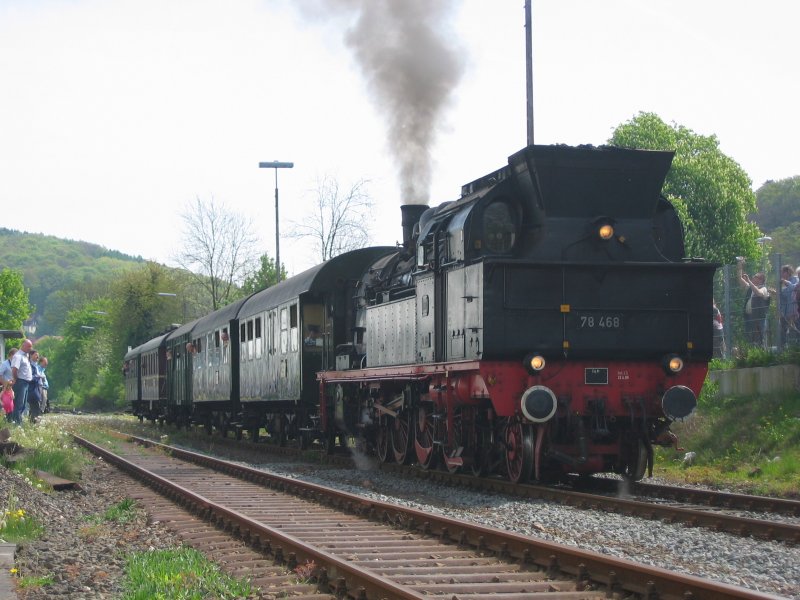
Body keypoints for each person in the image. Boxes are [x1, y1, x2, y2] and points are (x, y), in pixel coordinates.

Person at [737, 258, 770, 348]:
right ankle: (751, 354)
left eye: (755, 277)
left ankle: (760, 354)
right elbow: (740, 279)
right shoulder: (750, 287)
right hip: (749, 317)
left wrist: (749, 281)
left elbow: (759, 293)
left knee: (759, 338)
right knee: (749, 338)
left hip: (759, 318)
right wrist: (739, 267)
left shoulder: (764, 288)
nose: (752, 278)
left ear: (760, 280)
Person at [10, 339, 33, 425]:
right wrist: (16, 379)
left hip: (25, 383)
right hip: (21, 382)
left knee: (23, 404)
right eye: (28, 346)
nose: (30, 348)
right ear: (23, 345)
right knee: (19, 404)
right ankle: (17, 423)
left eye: (31, 346)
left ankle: (18, 421)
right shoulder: (18, 356)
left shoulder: (25, 356)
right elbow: (14, 370)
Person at [778, 264, 799, 347]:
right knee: (784, 331)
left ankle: (795, 348)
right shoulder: (785, 284)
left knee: (795, 331)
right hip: (786, 313)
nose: (781, 274)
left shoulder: (795, 279)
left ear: (788, 272)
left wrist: (785, 282)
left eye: (782, 272)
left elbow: (795, 289)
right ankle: (784, 349)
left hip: (795, 312)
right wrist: (776, 293)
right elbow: (785, 297)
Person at [27, 350, 44, 423]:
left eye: (38, 355)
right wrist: (39, 376)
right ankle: (33, 424)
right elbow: (29, 377)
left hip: (37, 388)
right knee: (35, 406)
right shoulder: (30, 365)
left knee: (36, 406)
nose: (38, 357)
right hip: (32, 389)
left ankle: (33, 423)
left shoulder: (36, 365)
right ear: (31, 355)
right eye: (36, 355)